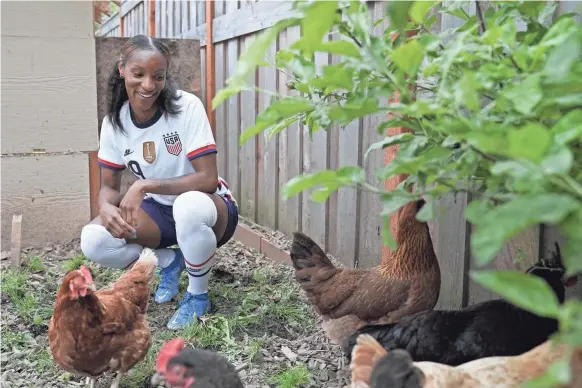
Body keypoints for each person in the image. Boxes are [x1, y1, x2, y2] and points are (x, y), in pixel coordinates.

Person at [80, 34, 238, 330]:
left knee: (189, 206)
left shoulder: (186, 107)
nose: (149, 85)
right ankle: (169, 261)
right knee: (94, 240)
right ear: (122, 69)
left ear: (167, 75)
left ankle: (198, 295)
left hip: (210, 210)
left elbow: (206, 178)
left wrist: (144, 185)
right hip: (161, 213)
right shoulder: (114, 124)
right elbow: (109, 187)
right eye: (138, 74)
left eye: (158, 76)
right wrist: (105, 207)